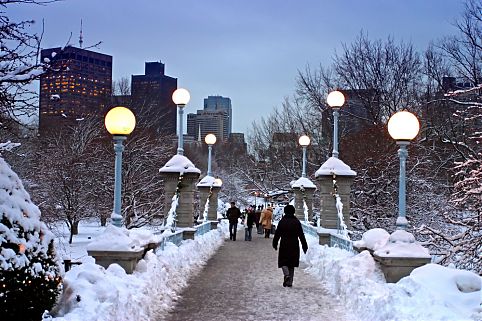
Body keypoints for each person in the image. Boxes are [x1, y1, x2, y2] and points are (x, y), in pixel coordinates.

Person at [272, 205, 308, 287]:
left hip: (284, 243)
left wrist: (275, 242)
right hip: (294, 244)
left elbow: (277, 233)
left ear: (285, 211)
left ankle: (286, 274)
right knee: (292, 263)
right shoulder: (296, 222)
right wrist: (304, 245)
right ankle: (290, 282)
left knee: (283, 261)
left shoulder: (282, 221)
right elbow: (301, 235)